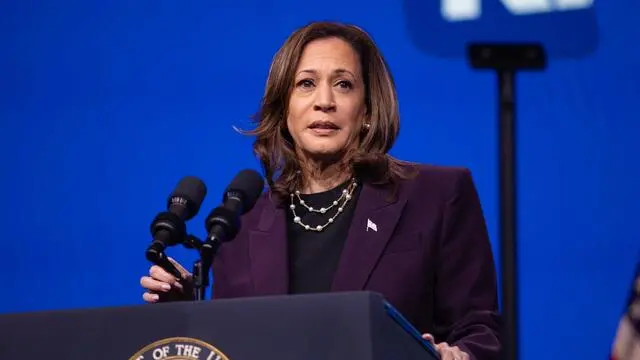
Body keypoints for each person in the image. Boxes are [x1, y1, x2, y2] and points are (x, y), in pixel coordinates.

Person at [140, 21, 502, 360]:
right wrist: (191, 314)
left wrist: (461, 355)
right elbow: (236, 347)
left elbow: (481, 331)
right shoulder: (240, 227)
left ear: (368, 110)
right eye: (306, 84)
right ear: (284, 110)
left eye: (343, 84)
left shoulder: (436, 196)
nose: (324, 101)